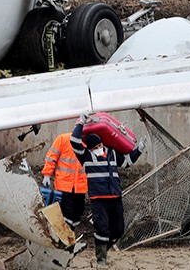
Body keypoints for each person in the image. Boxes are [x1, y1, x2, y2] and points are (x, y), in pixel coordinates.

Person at [70, 114, 146, 269]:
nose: (99, 149)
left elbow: (127, 162)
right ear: (90, 148)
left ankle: (105, 251)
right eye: (95, 147)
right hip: (99, 200)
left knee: (118, 230)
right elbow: (74, 141)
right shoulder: (85, 156)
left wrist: (139, 150)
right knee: (102, 230)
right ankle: (101, 259)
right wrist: (81, 122)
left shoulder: (111, 152)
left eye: (99, 146)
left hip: (115, 197)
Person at [41, 132, 88, 229]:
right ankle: (66, 234)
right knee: (67, 213)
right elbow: (51, 157)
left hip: (80, 186)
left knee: (78, 212)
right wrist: (47, 174)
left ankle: (70, 232)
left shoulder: (88, 141)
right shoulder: (63, 139)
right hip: (65, 184)